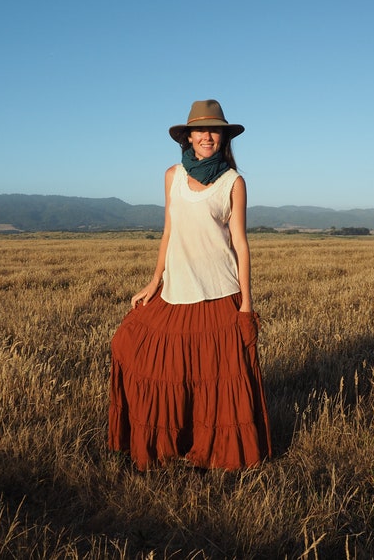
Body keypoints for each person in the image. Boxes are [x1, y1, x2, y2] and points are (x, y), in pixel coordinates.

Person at [108, 99, 272, 470]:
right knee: (136, 349)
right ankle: (172, 446)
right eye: (200, 130)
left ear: (223, 137)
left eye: (214, 130)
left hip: (219, 292)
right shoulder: (172, 176)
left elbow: (241, 244)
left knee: (214, 379)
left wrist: (246, 303)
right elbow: (168, 232)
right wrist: (154, 281)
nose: (207, 136)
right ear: (189, 136)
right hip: (175, 290)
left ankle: (213, 453)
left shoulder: (234, 181)